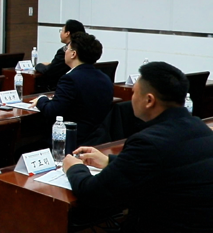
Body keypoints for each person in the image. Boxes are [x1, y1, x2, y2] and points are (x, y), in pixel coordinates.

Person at [62, 62, 213, 232]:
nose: (131, 98)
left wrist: (74, 168)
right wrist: (109, 161)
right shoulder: (202, 129)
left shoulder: (148, 142)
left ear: (149, 100)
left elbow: (95, 194)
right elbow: (168, 164)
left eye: (133, 92)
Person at [30, 32, 114, 144]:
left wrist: (41, 99)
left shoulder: (70, 79)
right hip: (98, 139)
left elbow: (52, 111)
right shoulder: (105, 78)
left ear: (73, 54)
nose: (65, 52)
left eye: (67, 49)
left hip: (72, 140)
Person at [35, 19, 85, 92]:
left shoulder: (65, 51)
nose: (61, 33)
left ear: (67, 33)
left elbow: (50, 71)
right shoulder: (84, 49)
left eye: (62, 30)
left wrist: (39, 65)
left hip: (59, 88)